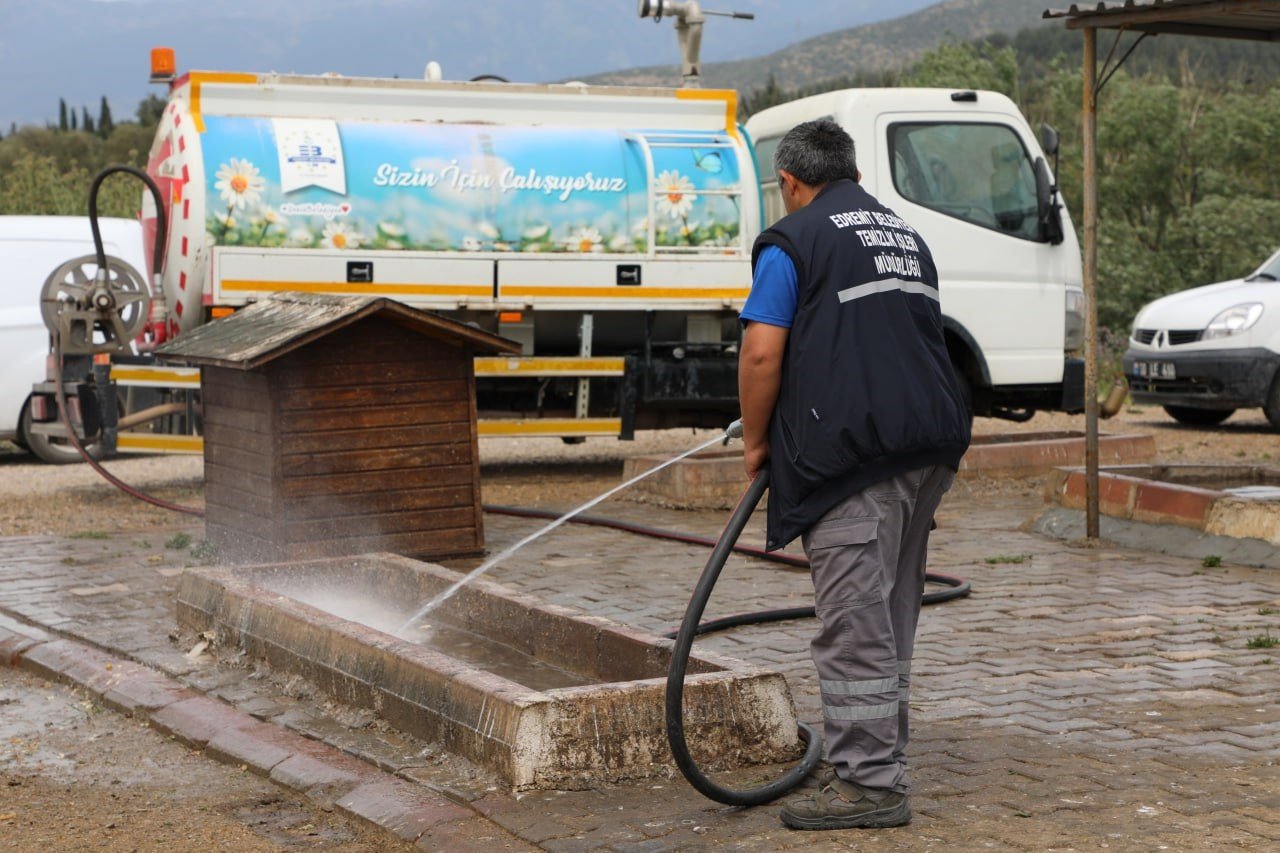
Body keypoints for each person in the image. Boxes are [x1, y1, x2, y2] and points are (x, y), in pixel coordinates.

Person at [737, 118, 971, 831]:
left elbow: (761, 353)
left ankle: (869, 783)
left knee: (854, 621)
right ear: (857, 175)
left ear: (789, 182)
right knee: (888, 612)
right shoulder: (903, 233)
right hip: (927, 443)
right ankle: (879, 757)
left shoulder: (793, 239)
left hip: (855, 454)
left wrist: (756, 442)